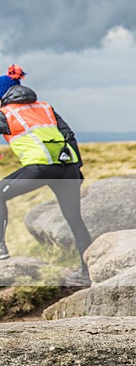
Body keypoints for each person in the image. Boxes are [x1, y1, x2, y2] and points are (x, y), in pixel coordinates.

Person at [0, 65, 92, 284]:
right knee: (75, 219)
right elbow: (69, 134)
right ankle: (87, 273)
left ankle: (0, 249)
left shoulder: (6, 113)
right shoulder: (45, 107)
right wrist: (77, 167)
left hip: (41, 167)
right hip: (67, 166)